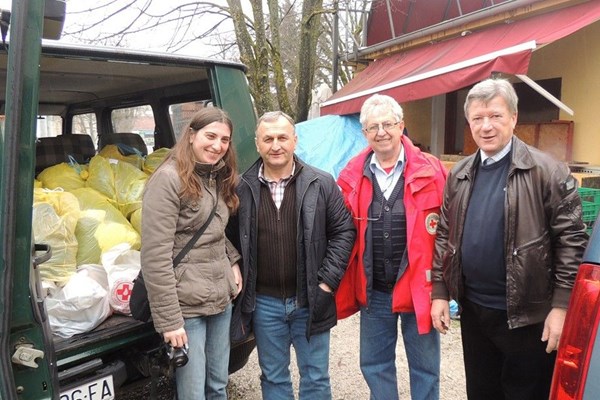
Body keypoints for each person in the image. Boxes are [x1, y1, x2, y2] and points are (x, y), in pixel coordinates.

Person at [431, 78, 588, 400]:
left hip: (528, 315)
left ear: (513, 118)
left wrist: (561, 307)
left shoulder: (547, 171)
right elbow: (445, 235)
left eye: (495, 116)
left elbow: (572, 241)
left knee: (526, 393)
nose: (486, 126)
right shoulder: (459, 174)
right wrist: (439, 292)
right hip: (475, 312)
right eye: (478, 118)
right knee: (482, 391)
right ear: (469, 123)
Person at [229, 111, 355, 399]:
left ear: (294, 141)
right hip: (263, 305)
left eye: (283, 137)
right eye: (268, 139)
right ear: (257, 144)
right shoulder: (241, 188)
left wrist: (326, 283)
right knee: (273, 378)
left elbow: (344, 232)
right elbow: (227, 238)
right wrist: (233, 263)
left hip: (311, 300)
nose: (276, 145)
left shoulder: (321, 183)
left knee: (315, 377)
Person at [335, 94, 447, 400]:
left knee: (425, 369)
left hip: (419, 290)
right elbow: (339, 232)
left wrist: (443, 291)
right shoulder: (350, 176)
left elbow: (449, 234)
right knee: (374, 365)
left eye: (388, 124)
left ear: (401, 126)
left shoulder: (433, 171)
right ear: (364, 133)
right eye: (373, 127)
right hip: (374, 291)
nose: (381, 131)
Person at [141, 107, 243, 400]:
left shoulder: (214, 177)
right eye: (210, 136)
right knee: (194, 393)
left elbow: (214, 231)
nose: (217, 145)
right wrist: (170, 321)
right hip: (186, 307)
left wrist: (232, 261)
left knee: (218, 386)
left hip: (219, 299)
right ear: (191, 135)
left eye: (224, 140)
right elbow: (155, 256)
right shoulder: (168, 179)